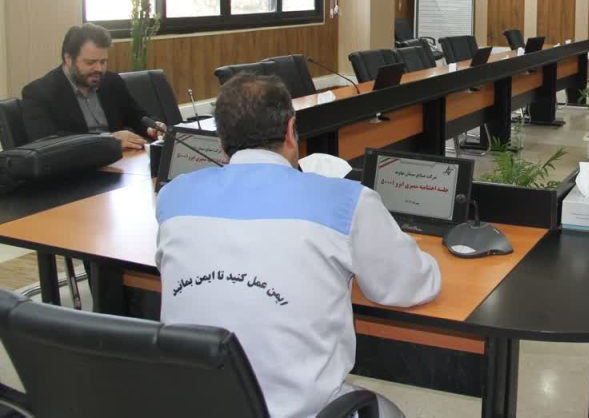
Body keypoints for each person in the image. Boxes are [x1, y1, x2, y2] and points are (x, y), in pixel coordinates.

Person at [156, 74, 440, 418]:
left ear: (221, 141)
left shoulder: (173, 197)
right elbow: (409, 287)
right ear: (291, 130)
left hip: (195, 406)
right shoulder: (346, 201)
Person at [21, 23, 163, 150]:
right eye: (90, 62)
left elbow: (137, 116)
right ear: (68, 59)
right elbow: (48, 142)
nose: (99, 69)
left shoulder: (112, 82)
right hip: (77, 166)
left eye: (103, 62)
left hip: (121, 160)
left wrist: (152, 127)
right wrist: (109, 140)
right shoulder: (39, 93)